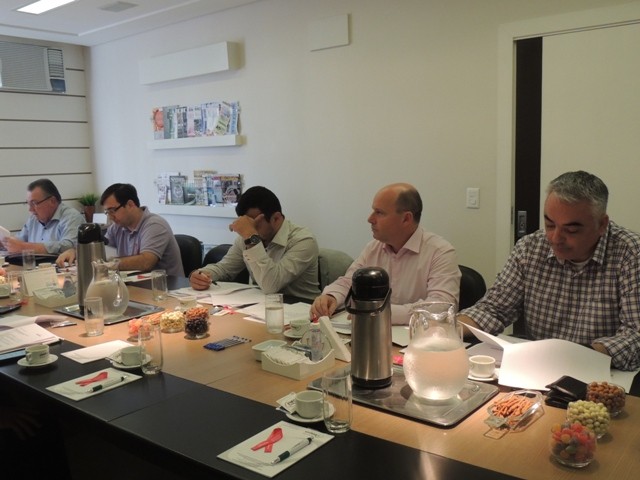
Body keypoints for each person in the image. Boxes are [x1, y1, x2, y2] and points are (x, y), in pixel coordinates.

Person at [457, 171, 640, 371]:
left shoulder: (631, 254)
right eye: (550, 224)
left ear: (602, 224)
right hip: (538, 370)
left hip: (602, 372)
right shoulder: (530, 247)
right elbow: (494, 309)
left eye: (571, 230)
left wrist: (579, 356)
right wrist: (444, 330)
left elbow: (635, 335)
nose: (555, 238)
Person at [310, 183, 461, 325]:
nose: (370, 219)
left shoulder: (440, 252)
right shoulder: (374, 247)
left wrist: (379, 311)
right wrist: (331, 296)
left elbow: (441, 307)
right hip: (372, 330)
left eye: (379, 213)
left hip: (416, 337)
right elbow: (349, 281)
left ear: (406, 219)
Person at [190, 186, 320, 300]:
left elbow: (271, 285)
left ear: (276, 218)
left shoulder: (304, 240)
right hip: (259, 307)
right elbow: (224, 269)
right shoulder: (247, 237)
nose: (250, 228)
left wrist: (251, 237)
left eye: (254, 224)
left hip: (301, 309)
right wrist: (199, 275)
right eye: (246, 223)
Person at [57, 183, 183, 277]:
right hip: (135, 286)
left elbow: (146, 262)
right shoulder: (118, 226)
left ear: (130, 205)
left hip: (165, 289)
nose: (110, 217)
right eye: (107, 212)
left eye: (113, 211)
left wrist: (107, 263)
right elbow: (103, 249)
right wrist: (76, 252)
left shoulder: (154, 225)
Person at [0, 179, 84, 255]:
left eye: (34, 203)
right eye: (28, 204)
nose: (30, 209)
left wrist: (25, 247)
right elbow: (19, 240)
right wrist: (5, 243)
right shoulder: (33, 219)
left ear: (52, 201)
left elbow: (69, 247)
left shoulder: (72, 217)